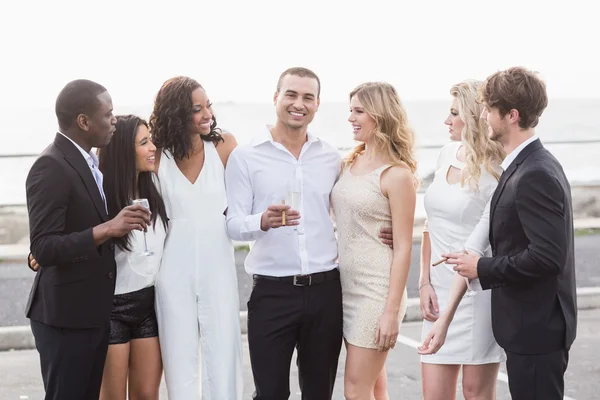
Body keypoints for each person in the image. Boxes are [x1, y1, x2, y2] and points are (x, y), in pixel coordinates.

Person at [225, 68, 394, 400]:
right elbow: (232, 225)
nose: (298, 104)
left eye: (307, 97)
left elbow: (355, 202)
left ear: (317, 104)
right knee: (270, 393)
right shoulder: (245, 157)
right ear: (276, 98)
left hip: (326, 291)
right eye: (291, 94)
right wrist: (262, 221)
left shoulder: (331, 157)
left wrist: (383, 229)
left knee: (319, 393)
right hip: (272, 294)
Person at [446, 67, 577, 400]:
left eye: (489, 109)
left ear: (512, 115)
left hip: (537, 332)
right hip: (529, 330)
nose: (485, 117)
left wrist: (482, 268)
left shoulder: (535, 172)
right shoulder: (524, 165)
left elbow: (547, 257)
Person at [25, 79, 150, 400]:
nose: (115, 121)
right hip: (64, 319)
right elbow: (43, 247)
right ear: (83, 121)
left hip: (91, 315)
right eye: (108, 114)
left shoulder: (88, 161)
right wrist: (108, 229)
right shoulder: (50, 165)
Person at [149, 76, 243, 399]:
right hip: (172, 265)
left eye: (209, 106)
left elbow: (248, 197)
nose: (208, 114)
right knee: (178, 356)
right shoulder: (157, 156)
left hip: (218, 261)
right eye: (196, 109)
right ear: (176, 114)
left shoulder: (225, 146)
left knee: (224, 351)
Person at [416, 80, 506, 400]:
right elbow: (431, 222)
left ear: (474, 117)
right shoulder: (445, 153)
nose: (447, 121)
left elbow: (477, 246)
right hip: (437, 292)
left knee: (475, 394)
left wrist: (447, 316)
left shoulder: (495, 170)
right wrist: (424, 281)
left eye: (454, 113)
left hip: (476, 297)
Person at [330, 81, 417, 400]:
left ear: (379, 115)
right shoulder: (348, 162)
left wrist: (391, 312)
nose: (351, 118)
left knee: (356, 388)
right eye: (350, 110)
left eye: (359, 111)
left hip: (376, 292)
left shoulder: (397, 174)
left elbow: (405, 247)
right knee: (375, 386)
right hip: (344, 287)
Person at [97, 115, 167, 399]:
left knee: (147, 396)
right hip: (111, 308)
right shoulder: (101, 197)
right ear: (124, 150)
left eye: (151, 140)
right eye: (144, 142)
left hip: (149, 305)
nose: (153, 148)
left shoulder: (157, 188)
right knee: (112, 397)